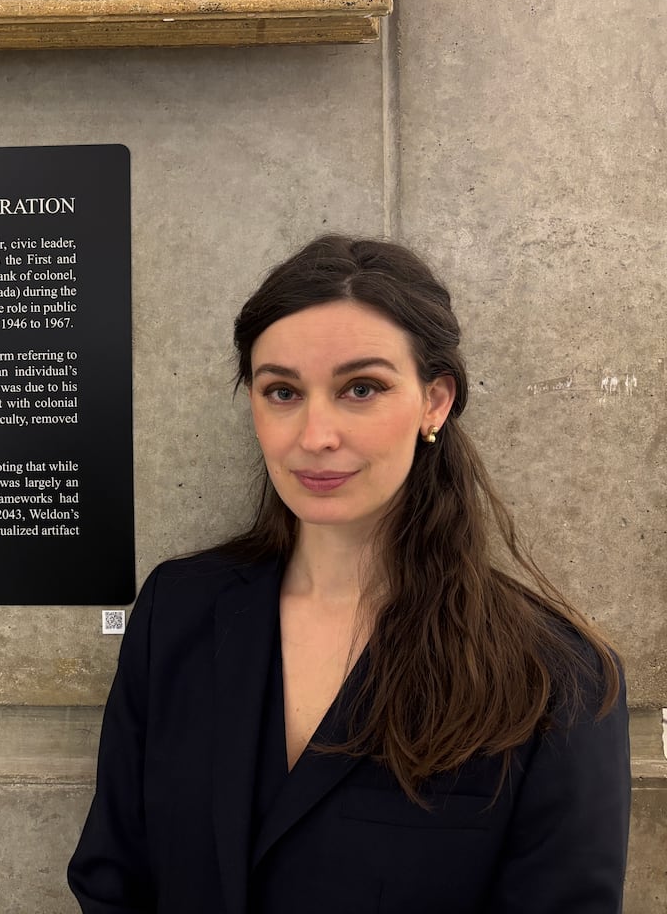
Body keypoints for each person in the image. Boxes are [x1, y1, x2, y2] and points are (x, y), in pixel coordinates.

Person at [68, 235, 630, 913]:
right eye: (282, 391)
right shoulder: (178, 612)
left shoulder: (554, 676)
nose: (314, 434)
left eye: (360, 388)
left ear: (435, 401)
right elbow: (112, 876)